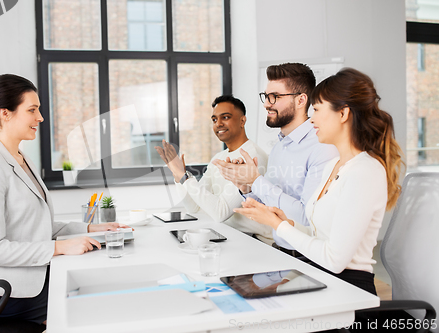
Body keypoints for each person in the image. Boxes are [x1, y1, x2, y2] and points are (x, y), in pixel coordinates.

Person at [0, 74, 129, 325]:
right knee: (91, 309)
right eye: (32, 110)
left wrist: (89, 228)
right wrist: (59, 247)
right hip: (3, 292)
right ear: (5, 113)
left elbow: (35, 227)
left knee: (101, 285)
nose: (40, 117)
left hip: (30, 276)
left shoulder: (21, 159)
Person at [234, 68, 404, 296]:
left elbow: (335, 260)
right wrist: (286, 222)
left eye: (316, 109)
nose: (311, 118)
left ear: (343, 114)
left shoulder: (365, 171)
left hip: (348, 291)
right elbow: (318, 234)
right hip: (319, 278)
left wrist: (278, 226)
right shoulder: (333, 167)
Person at [213, 63, 338, 254]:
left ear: (301, 100)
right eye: (266, 96)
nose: (266, 104)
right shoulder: (279, 147)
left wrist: (256, 181)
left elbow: (307, 218)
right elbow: (271, 204)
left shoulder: (322, 147)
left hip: (309, 257)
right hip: (280, 249)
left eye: (275, 97)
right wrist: (247, 187)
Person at [155, 95, 272, 241]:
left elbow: (220, 212)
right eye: (214, 119)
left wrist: (185, 178)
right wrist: (179, 176)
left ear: (242, 121)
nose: (219, 124)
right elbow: (194, 207)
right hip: (229, 235)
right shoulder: (218, 158)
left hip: (256, 242)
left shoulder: (253, 156)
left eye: (226, 117)